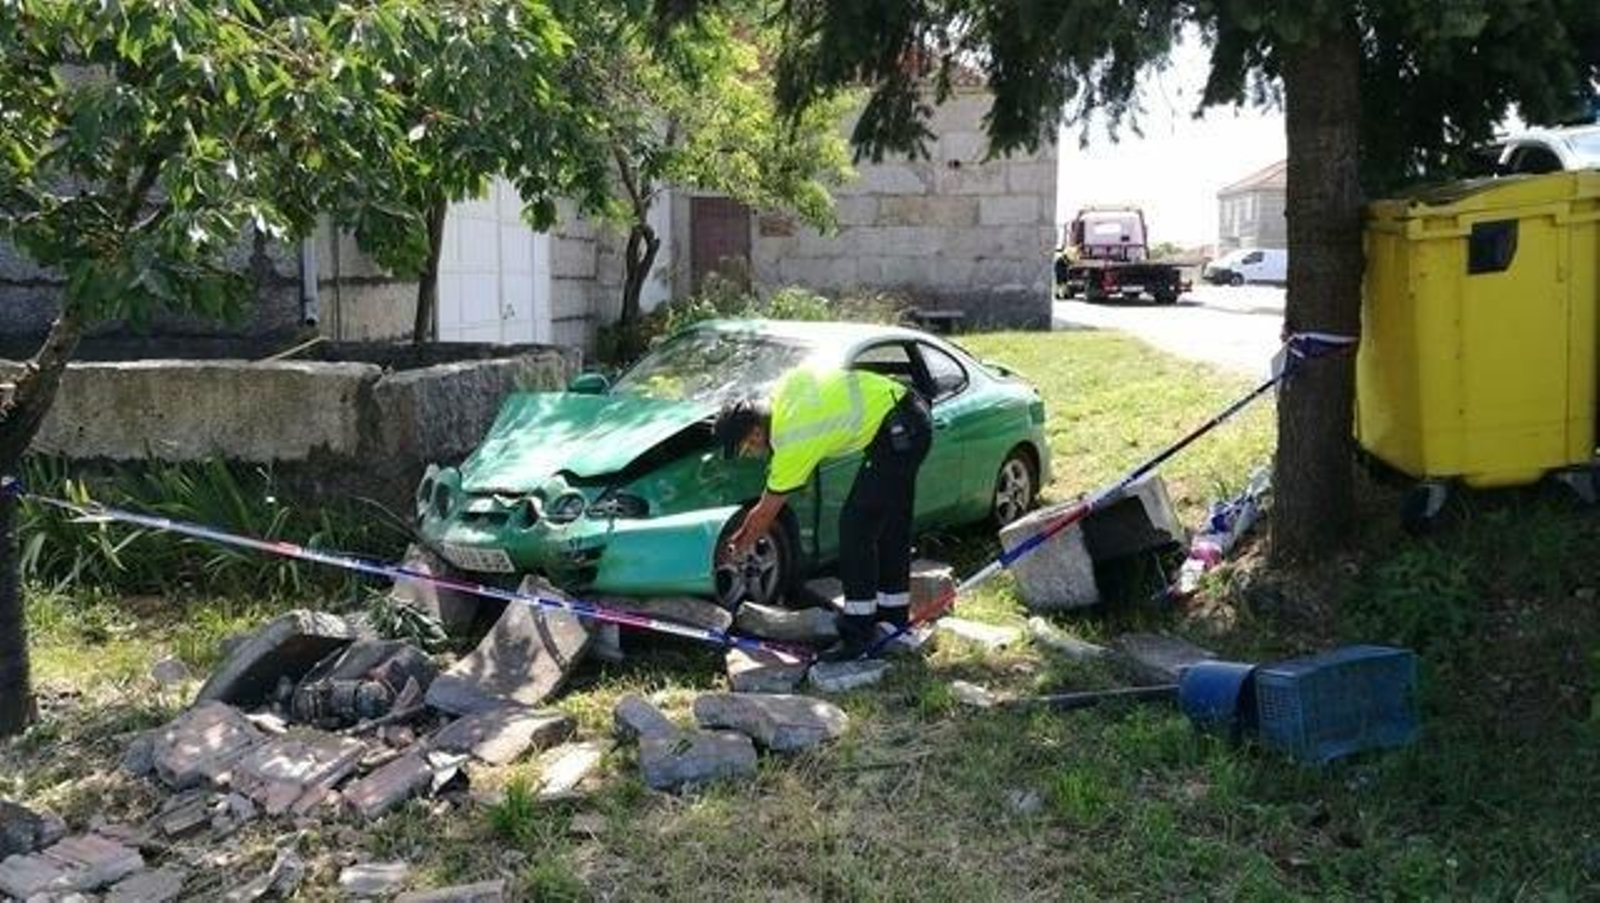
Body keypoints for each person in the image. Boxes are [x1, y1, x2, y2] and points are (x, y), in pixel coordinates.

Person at [714, 360, 933, 660]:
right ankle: (892, 621)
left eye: (747, 447)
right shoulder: (784, 395)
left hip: (898, 432)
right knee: (889, 529)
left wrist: (738, 545)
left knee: (856, 529)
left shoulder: (792, 437)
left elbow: (766, 512)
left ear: (754, 431)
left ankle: (858, 635)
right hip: (908, 415)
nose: (752, 453)